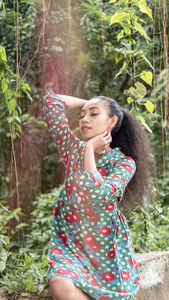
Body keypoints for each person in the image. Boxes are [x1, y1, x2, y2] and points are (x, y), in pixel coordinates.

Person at [43, 90, 154, 300]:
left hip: (106, 252)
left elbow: (98, 196)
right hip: (70, 246)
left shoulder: (123, 163)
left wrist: (89, 151)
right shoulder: (73, 149)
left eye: (94, 114)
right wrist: (91, 103)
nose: (84, 119)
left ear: (112, 121)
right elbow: (51, 103)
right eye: (83, 114)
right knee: (59, 283)